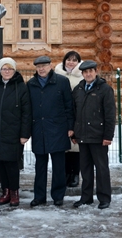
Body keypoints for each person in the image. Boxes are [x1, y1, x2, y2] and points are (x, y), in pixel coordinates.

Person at [27, 55, 74, 207]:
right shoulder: (31, 84)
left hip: (58, 128)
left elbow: (69, 105)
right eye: (38, 66)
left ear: (50, 66)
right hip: (38, 129)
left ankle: (58, 195)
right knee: (40, 166)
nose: (41, 69)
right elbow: (27, 110)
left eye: (44, 66)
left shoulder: (62, 82)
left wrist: (70, 126)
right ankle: (39, 196)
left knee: (59, 165)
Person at [0, 57, 32, 207]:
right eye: (4, 69)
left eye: (10, 69)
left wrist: (25, 134)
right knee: (2, 163)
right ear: (0, 70)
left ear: (14, 70)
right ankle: (5, 192)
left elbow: (27, 113)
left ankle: (14, 192)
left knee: (12, 164)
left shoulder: (22, 87)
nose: (7, 72)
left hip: (14, 132)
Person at [71, 61, 116, 210]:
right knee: (85, 169)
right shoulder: (78, 89)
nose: (88, 74)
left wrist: (108, 136)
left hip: (99, 136)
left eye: (91, 71)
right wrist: (74, 132)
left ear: (96, 72)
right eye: (85, 72)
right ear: (82, 74)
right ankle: (86, 197)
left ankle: (104, 198)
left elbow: (110, 115)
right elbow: (74, 113)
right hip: (83, 136)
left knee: (101, 168)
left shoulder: (104, 89)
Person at [54, 51, 83, 188]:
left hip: (77, 114)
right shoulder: (57, 75)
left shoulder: (81, 76)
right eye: (69, 60)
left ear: (78, 62)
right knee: (64, 146)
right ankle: (66, 174)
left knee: (76, 147)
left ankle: (75, 174)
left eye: (74, 60)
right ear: (64, 61)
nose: (71, 62)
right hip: (62, 115)